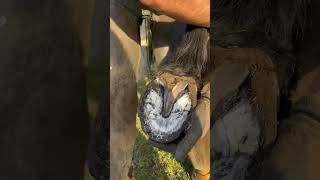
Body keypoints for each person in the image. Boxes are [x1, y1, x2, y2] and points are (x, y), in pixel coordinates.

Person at [109, 0, 210, 179]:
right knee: (117, 92)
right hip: (126, 4)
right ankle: (120, 172)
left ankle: (203, 168)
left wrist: (209, 93)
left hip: (190, 14)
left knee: (189, 91)